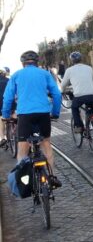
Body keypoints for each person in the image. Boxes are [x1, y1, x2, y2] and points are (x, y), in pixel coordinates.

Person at [2, 50, 62, 188]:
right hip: (43, 114)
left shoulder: (16, 75)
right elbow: (57, 95)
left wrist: (5, 115)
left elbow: (8, 97)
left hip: (25, 115)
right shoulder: (45, 74)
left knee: (22, 147)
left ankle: (22, 182)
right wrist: (55, 113)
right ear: (37, 62)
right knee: (46, 143)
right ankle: (51, 177)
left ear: (23, 63)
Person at [61, 51, 93, 134]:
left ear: (72, 61)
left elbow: (63, 85)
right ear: (81, 59)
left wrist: (62, 92)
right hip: (92, 95)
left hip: (79, 96)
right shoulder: (89, 68)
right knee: (90, 110)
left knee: (74, 108)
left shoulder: (69, 70)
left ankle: (79, 126)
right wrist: (92, 90)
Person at [0, 68, 9, 146]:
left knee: (1, 118)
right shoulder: (8, 80)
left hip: (1, 103)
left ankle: (2, 137)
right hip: (10, 102)